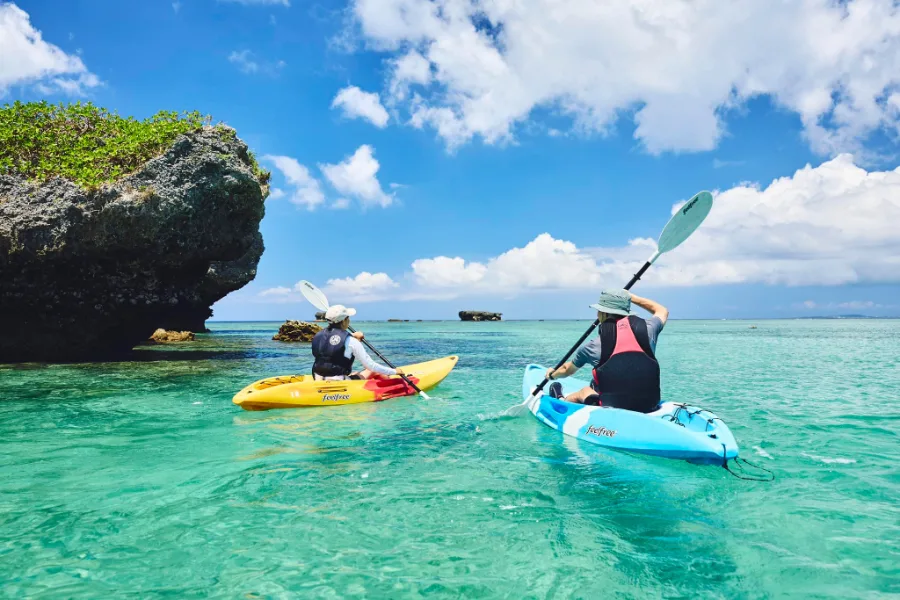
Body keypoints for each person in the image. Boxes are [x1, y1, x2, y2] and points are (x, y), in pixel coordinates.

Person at [544, 289, 668, 413]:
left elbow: (567, 370)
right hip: (650, 405)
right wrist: (631, 297)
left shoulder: (592, 346)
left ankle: (561, 400)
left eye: (599, 311)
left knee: (584, 391)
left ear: (603, 313)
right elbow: (662, 311)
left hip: (613, 406)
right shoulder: (649, 329)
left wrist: (552, 375)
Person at [311, 304, 405, 381]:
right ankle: (394, 383)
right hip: (340, 383)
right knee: (372, 371)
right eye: (348, 318)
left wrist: (352, 335)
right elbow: (371, 366)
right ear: (344, 320)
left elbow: (332, 342)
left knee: (356, 373)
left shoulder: (318, 335)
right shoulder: (351, 341)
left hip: (317, 378)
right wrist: (395, 371)